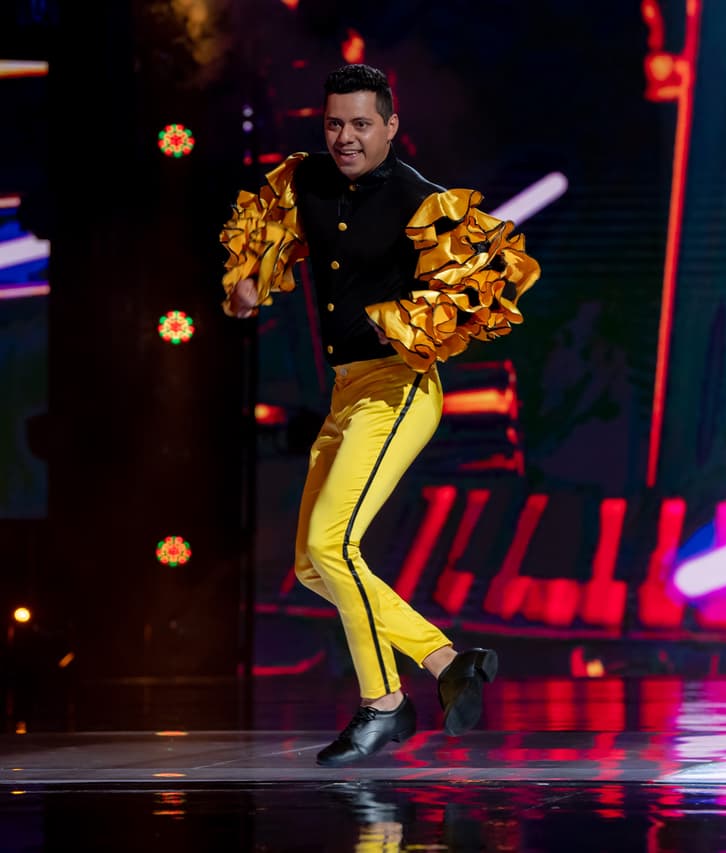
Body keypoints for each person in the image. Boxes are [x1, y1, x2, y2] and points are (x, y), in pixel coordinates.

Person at [220, 63, 540, 766]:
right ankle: (446, 659)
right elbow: (263, 233)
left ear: (391, 126)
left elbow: (486, 270)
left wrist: (423, 319)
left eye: (361, 124)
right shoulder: (304, 179)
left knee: (335, 547)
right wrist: (247, 282)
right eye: (335, 123)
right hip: (344, 390)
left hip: (398, 388)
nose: (346, 137)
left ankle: (384, 704)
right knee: (311, 563)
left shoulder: (417, 199)